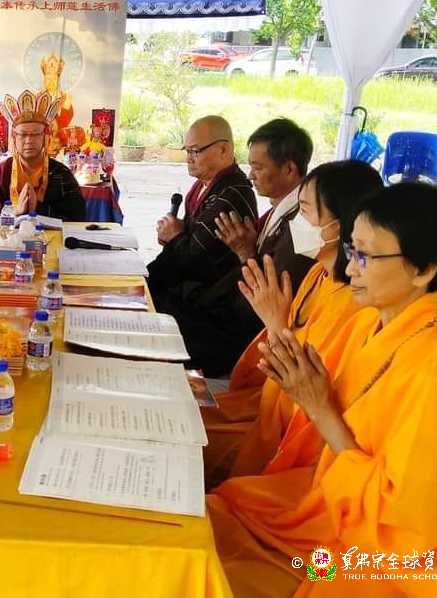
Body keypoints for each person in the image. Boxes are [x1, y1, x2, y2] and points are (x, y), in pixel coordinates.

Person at [207, 182, 437, 598]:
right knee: (215, 511)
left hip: (380, 564)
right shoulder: (373, 326)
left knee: (213, 570)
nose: (351, 268)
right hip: (327, 511)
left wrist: (319, 408)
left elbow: (404, 525)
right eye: (350, 250)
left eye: (366, 256)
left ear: (423, 269)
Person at [200, 160, 383, 486]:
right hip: (260, 406)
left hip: (288, 434)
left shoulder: (355, 306)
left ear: (340, 224)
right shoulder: (318, 275)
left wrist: (275, 324)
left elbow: (305, 389)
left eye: (305, 211)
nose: (297, 222)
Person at [164, 118, 317, 377]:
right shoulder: (278, 212)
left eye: (258, 167)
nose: (250, 175)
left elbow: (266, 299)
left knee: (162, 326)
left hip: (241, 336)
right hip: (227, 312)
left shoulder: (302, 225)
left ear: (289, 169)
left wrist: (246, 253)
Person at [145, 116, 257, 309]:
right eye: (187, 150)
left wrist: (175, 236)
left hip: (208, 301)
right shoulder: (203, 185)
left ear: (223, 149)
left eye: (195, 151)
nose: (188, 158)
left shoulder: (231, 195)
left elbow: (195, 262)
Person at [0, 89, 86, 221]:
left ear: (44, 137)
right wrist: (14, 212)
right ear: (14, 137)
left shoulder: (61, 173)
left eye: (36, 134)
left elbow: (77, 217)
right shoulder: (0, 173)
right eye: (23, 134)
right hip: (8, 235)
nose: (29, 140)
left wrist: (39, 208)